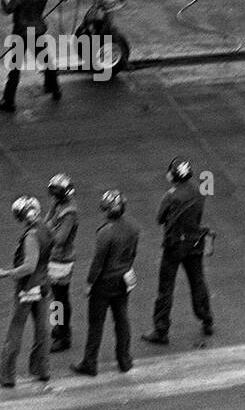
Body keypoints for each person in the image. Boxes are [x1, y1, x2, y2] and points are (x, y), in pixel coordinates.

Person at [143, 157, 213, 345]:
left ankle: (161, 329)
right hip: (194, 243)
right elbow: (198, 215)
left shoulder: (170, 195)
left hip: (174, 246)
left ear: (173, 175)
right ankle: (207, 319)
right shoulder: (199, 191)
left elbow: (159, 218)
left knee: (165, 289)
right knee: (198, 282)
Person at [71, 190, 138, 377]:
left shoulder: (105, 233)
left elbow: (98, 262)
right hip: (124, 279)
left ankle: (90, 362)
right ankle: (124, 359)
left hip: (104, 284)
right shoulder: (133, 228)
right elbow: (132, 254)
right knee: (122, 319)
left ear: (106, 210)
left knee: (96, 324)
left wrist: (89, 283)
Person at [0, 195, 54, 387]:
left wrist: (6, 273)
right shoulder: (46, 228)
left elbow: (29, 266)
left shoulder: (31, 236)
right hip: (43, 285)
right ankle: (42, 368)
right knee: (42, 329)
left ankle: (6, 375)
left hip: (27, 288)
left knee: (15, 331)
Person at [0, 0, 61, 112]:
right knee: (46, 61)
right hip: (37, 30)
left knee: (15, 69)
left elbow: (8, 10)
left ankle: (8, 101)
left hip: (21, 33)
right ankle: (55, 89)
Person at [44, 174, 79, 352]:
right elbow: (47, 220)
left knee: (60, 299)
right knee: (55, 298)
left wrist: (48, 227)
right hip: (53, 258)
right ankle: (57, 327)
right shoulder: (58, 203)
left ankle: (64, 335)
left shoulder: (69, 213)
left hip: (61, 261)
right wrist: (48, 224)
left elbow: (60, 239)